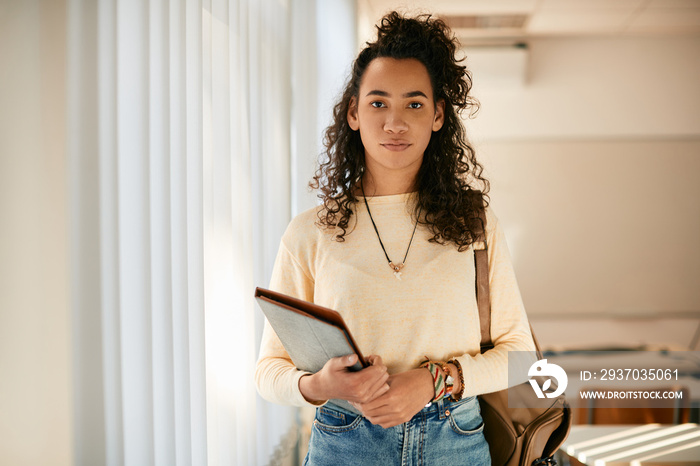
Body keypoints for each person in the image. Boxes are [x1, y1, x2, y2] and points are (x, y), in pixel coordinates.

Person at [255, 11, 535, 465]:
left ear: (439, 115)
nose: (395, 123)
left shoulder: (474, 222)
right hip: (345, 443)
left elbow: (521, 355)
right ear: (353, 113)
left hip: (455, 442)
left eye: (415, 104)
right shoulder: (311, 231)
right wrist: (319, 385)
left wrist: (432, 381)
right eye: (379, 103)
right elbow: (269, 372)